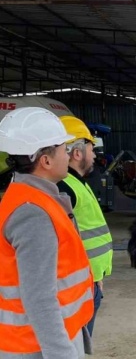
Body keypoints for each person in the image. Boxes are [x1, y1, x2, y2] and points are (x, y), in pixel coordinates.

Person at [0, 107, 94, 358]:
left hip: (44, 338)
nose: (68, 155)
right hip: (36, 347)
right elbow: (39, 297)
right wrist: (61, 353)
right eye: (64, 149)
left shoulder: (32, 198)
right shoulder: (33, 213)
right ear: (46, 160)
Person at [57, 116, 113, 337]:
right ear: (77, 153)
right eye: (92, 149)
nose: (94, 156)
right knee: (75, 342)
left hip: (87, 278)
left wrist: (96, 277)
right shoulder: (63, 188)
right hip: (76, 284)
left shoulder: (74, 183)